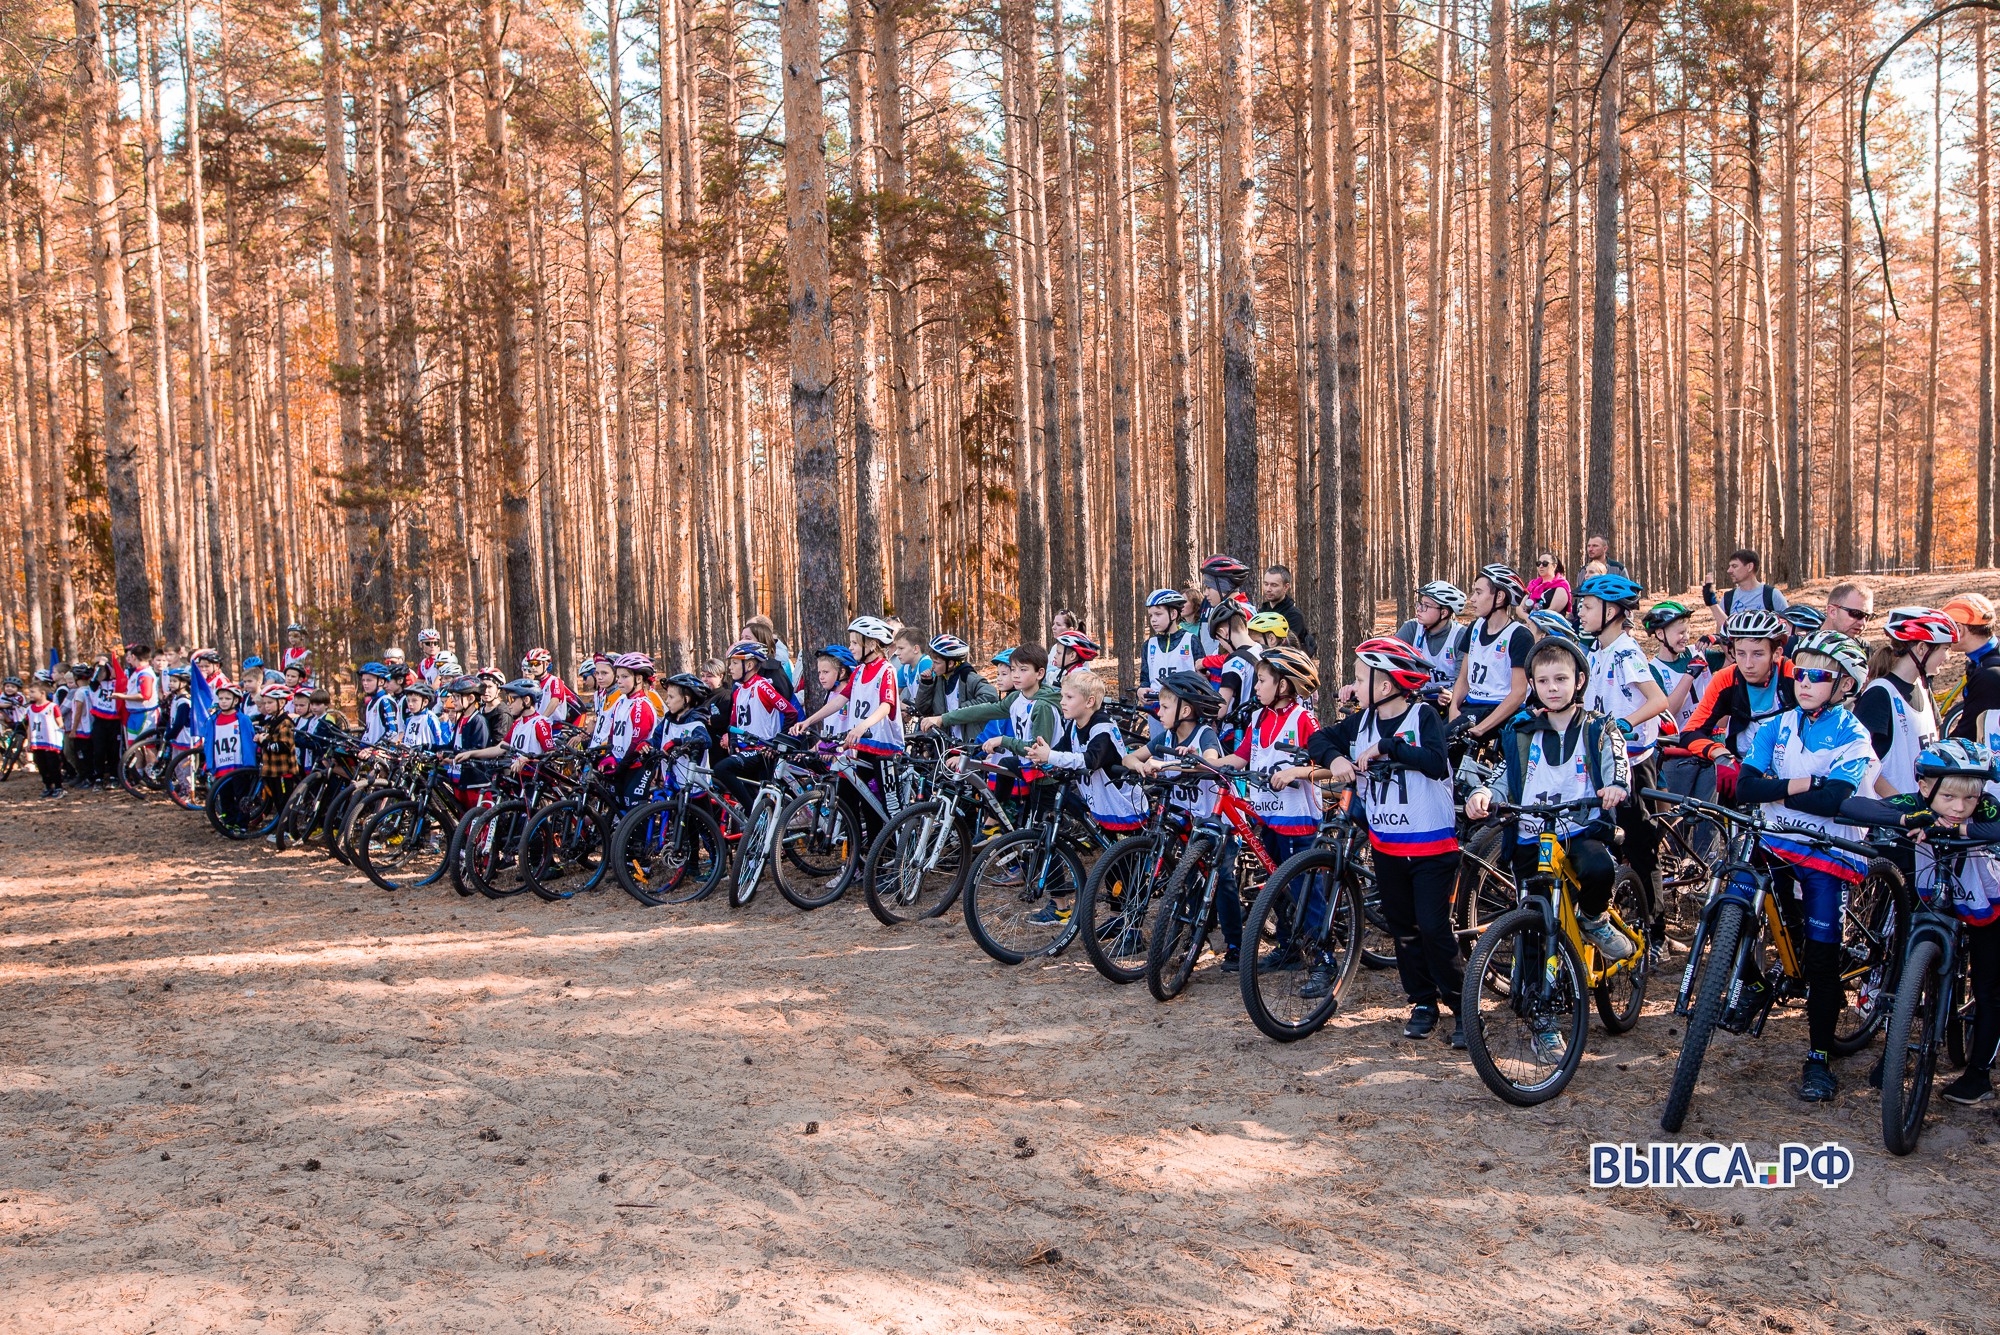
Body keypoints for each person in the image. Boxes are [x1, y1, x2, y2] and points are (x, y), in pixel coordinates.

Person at [1731, 629, 1875, 1103]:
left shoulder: (1854, 733)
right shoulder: (1776, 722)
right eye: (1800, 672)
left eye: (1819, 675)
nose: (1804, 682)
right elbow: (1745, 788)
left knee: (1820, 958)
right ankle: (1752, 985)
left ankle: (1819, 1057)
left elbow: (1835, 799)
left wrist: (1782, 785)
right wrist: (1800, 784)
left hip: (1826, 851)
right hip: (1775, 841)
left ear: (1844, 685)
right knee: (1739, 908)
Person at [1292, 637, 1461, 1035]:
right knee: (1403, 929)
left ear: (1386, 686)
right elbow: (1318, 737)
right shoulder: (1361, 721)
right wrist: (1334, 758)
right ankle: (1422, 1002)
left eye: (1361, 679)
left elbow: (1437, 763)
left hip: (1432, 846)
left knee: (1434, 929)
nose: (1353, 687)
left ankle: (1461, 1007)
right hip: (1387, 846)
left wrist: (1389, 747)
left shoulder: (1422, 716)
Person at [1465, 635, 1638, 1023]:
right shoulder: (1521, 731)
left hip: (1581, 827)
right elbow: (1504, 775)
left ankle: (1594, 918)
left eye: (1561, 679)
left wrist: (1615, 787)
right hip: (1532, 835)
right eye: (1543, 682)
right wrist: (1482, 794)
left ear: (1579, 681)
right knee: (1532, 922)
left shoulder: (1598, 727)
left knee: (1597, 868)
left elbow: (1618, 763)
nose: (1552, 689)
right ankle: (1539, 1014)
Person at [1214, 647, 1322, 978]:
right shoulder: (1259, 718)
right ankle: (1289, 946)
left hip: (1298, 822)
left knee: (1306, 891)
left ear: (1285, 686)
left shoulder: (1303, 720)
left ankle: (1323, 956)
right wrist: (1202, 762)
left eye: (1261, 680)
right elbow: (1241, 756)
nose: (1256, 687)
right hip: (1269, 818)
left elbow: (1330, 766)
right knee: (1277, 885)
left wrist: (1296, 773)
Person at [1575, 573, 1670, 948]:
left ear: (1611, 611)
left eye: (1587, 607)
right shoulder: (1596, 650)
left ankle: (1656, 934)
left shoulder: (1627, 652)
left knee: (1641, 850)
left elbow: (1658, 701)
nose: (1580, 612)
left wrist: (1626, 723)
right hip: (1603, 760)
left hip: (1634, 764)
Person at [1856, 607, 1960, 797]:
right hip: (1890, 815)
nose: (1947, 657)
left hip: (1920, 810)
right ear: (1921, 648)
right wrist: (1900, 805)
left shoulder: (1922, 685)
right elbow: (1862, 760)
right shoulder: (1880, 694)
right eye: (1945, 649)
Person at [1680, 609, 1798, 771]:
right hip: (1743, 765)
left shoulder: (1793, 675)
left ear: (1776, 654)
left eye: (1757, 654)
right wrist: (1719, 753)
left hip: (1793, 767)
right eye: (1741, 654)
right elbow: (1691, 732)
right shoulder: (1726, 679)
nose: (1748, 664)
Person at [1449, 564, 1533, 742]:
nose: (1472, 599)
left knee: (1443, 743)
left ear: (1500, 596)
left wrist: (1482, 728)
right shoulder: (1474, 628)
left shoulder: (1519, 635)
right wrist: (1453, 708)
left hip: (1498, 709)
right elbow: (1464, 678)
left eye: (1479, 593)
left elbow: (1519, 693)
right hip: (1471, 706)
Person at [713, 642, 800, 810]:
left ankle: (753, 812)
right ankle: (756, 815)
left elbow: (791, 712)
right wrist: (733, 744)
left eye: (735, 663)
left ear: (750, 665)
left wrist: (777, 743)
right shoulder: (739, 690)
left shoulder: (762, 686)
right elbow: (733, 723)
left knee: (721, 768)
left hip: (762, 752)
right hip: (746, 750)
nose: (730, 668)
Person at [912, 635, 999, 741]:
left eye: (936, 663)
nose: (932, 667)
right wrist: (926, 684)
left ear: (951, 663)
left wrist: (958, 712)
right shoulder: (938, 681)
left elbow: (991, 697)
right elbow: (922, 709)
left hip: (969, 744)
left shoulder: (969, 678)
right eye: (932, 661)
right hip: (947, 744)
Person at [1392, 580, 1468, 698]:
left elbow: (1463, 680)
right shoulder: (1412, 628)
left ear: (1443, 613)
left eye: (1426, 606)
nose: (1419, 609)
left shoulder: (1460, 635)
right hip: (1419, 698)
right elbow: (1388, 657)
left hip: (1452, 701)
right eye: (1420, 604)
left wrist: (1452, 694)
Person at [1946, 593, 2000, 745]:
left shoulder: (1988, 676)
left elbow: (1966, 735)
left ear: (1959, 629)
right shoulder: (1986, 660)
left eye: (1945, 628)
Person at [1703, 547, 1788, 634]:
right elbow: (1721, 633)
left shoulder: (1772, 595)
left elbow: (1788, 629)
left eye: (1734, 566)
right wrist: (1712, 603)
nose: (1729, 571)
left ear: (1749, 567)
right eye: (1729, 566)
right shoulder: (1728, 598)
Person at [1139, 589, 1198, 702]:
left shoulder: (1191, 641)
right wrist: (1141, 690)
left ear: (1173, 614)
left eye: (1158, 614)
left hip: (1184, 707)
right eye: (1151, 615)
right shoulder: (1149, 645)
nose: (1153, 620)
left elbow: (1203, 676)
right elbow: (1145, 678)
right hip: (1156, 706)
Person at [794, 646, 856, 739]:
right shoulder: (829, 695)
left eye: (825, 672)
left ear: (842, 672)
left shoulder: (851, 698)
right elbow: (826, 737)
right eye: (819, 672)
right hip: (829, 752)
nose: (821, 677)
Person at [1196, 555, 1252, 656]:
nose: (1205, 593)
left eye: (1209, 587)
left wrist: (1205, 663)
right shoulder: (1232, 609)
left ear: (1223, 587)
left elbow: (1239, 655)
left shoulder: (1241, 612)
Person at [22, 675, 65, 798]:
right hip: (37, 742)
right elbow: (29, 725)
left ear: (42, 693)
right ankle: (48, 786)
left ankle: (58, 787)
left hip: (50, 742)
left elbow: (60, 723)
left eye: (32, 692)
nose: (29, 694)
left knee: (53, 765)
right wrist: (29, 741)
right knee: (41, 765)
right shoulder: (30, 709)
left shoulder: (52, 707)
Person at [1257, 564, 1314, 653]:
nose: (1268, 589)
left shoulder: (1294, 616)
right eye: (1266, 584)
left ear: (1286, 587)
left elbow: (1284, 649)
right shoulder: (1260, 612)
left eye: (1274, 585)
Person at [890, 628, 933, 710]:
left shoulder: (926, 664)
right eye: (897, 648)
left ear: (916, 649)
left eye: (901, 648)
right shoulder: (905, 668)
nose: (897, 653)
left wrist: (905, 707)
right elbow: (893, 694)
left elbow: (931, 702)